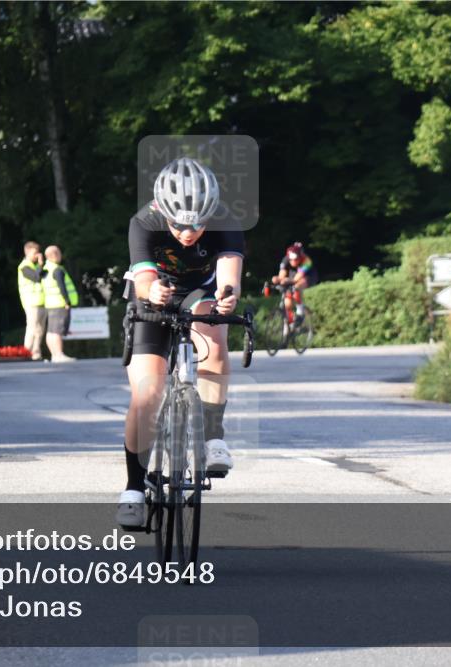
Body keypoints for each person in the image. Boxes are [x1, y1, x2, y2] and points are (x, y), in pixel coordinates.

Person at [116, 157, 244, 529]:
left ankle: (213, 437)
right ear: (163, 212)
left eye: (198, 224)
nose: (189, 232)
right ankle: (134, 488)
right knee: (147, 392)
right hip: (153, 293)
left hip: (199, 292)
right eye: (179, 224)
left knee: (215, 338)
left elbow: (228, 274)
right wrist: (150, 288)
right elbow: (142, 279)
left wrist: (227, 296)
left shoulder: (225, 220)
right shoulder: (144, 222)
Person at [41, 245, 78, 363]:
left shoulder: (45, 269)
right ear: (55, 255)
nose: (61, 255)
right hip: (59, 303)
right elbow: (62, 287)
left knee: (51, 331)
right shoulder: (57, 269)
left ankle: (54, 355)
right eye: (59, 253)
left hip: (50, 304)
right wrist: (67, 301)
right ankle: (59, 355)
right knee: (57, 331)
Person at [271, 241, 317, 324]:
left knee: (297, 287)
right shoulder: (286, 259)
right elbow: (282, 275)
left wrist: (287, 280)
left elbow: (297, 278)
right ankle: (290, 322)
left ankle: (300, 312)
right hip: (293, 275)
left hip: (307, 277)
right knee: (287, 301)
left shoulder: (307, 261)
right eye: (291, 260)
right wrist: (277, 279)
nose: (293, 262)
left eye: (296, 259)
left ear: (300, 256)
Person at [17, 241, 46, 361]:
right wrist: (40, 264)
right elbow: (36, 277)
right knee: (32, 328)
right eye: (35, 253)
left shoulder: (33, 266)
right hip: (31, 302)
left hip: (41, 302)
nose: (37, 255)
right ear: (27, 252)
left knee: (40, 330)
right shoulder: (24, 266)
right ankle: (26, 352)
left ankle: (36, 352)